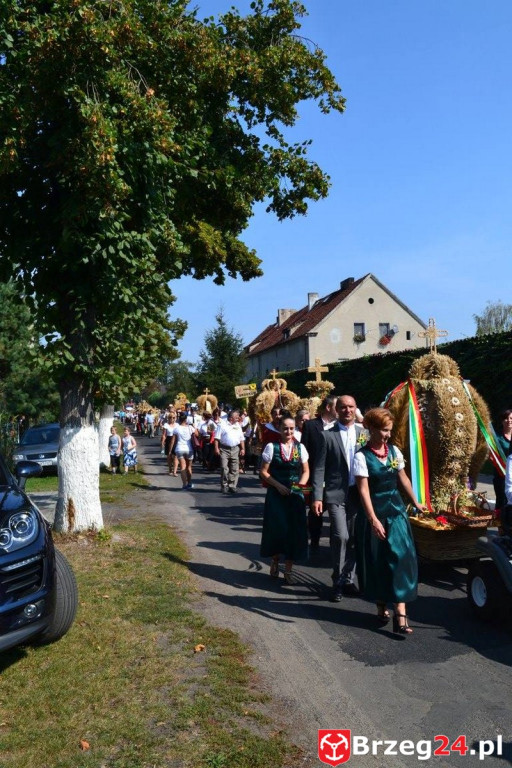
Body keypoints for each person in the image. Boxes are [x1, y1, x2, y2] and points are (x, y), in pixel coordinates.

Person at [354, 407, 426, 636]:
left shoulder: (394, 451)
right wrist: (373, 519)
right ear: (372, 429)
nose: (388, 435)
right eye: (384, 430)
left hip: (396, 513)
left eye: (389, 430)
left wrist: (416, 501)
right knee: (379, 561)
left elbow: (402, 477)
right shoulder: (361, 456)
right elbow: (363, 491)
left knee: (401, 558)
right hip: (375, 513)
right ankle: (381, 604)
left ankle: (401, 615)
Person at [312, 395, 366, 601]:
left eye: (351, 407)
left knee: (353, 539)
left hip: (357, 495)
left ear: (355, 409)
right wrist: (317, 497)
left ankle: (348, 579)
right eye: (343, 407)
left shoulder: (365, 434)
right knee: (340, 536)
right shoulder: (327, 435)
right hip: (335, 494)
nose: (347, 411)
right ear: (336, 410)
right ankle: (337, 580)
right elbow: (319, 468)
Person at [260, 415, 309, 583]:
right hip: (276, 495)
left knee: (294, 532)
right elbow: (264, 472)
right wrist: (277, 485)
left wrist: (300, 487)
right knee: (277, 529)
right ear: (279, 429)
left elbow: (306, 471)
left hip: (295, 495)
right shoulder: (271, 447)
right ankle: (275, 560)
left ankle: (288, 570)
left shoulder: (300, 447)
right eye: (285, 428)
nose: (288, 431)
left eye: (291, 428)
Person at [302, 395, 339, 551]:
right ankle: (314, 541)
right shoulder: (311, 425)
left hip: (334, 478)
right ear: (329, 408)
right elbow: (304, 450)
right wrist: (302, 480)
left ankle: (334, 545)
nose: (341, 410)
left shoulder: (340, 426)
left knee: (335, 512)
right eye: (338, 406)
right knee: (315, 511)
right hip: (314, 476)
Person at [214, 409, 245, 493]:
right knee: (224, 467)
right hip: (224, 449)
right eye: (236, 417)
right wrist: (216, 448)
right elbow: (216, 438)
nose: (238, 418)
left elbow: (241, 439)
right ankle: (224, 485)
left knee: (234, 468)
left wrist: (242, 448)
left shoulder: (238, 425)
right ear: (231, 418)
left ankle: (232, 486)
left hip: (235, 449)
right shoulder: (222, 425)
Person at [170, 412, 198, 490]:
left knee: (182, 466)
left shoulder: (176, 428)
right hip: (189, 449)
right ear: (186, 419)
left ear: (179, 419)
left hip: (179, 448)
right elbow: (197, 434)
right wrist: (194, 427)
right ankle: (189, 483)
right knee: (189, 467)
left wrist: (170, 450)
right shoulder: (190, 427)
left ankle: (184, 485)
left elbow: (173, 441)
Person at [493, 409, 512, 509]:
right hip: (501, 477)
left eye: (511, 418)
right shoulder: (496, 438)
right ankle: (502, 523)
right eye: (506, 418)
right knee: (502, 504)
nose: (509, 420)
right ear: (502, 421)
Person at [161, 410, 178, 475]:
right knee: (169, 456)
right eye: (170, 417)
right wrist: (162, 442)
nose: (172, 419)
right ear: (168, 418)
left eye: (173, 417)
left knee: (176, 456)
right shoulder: (166, 425)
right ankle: (170, 469)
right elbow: (164, 434)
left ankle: (175, 471)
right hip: (168, 440)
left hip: (176, 441)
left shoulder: (177, 425)